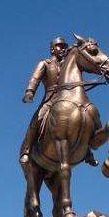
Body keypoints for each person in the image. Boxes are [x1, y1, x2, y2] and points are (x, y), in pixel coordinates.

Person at [20, 37, 98, 167]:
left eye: (63, 46)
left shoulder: (68, 64)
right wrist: (30, 91)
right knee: (37, 119)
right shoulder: (45, 63)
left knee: (84, 118)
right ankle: (27, 150)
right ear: (52, 49)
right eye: (59, 46)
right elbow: (35, 78)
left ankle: (87, 151)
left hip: (69, 97)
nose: (62, 49)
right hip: (50, 99)